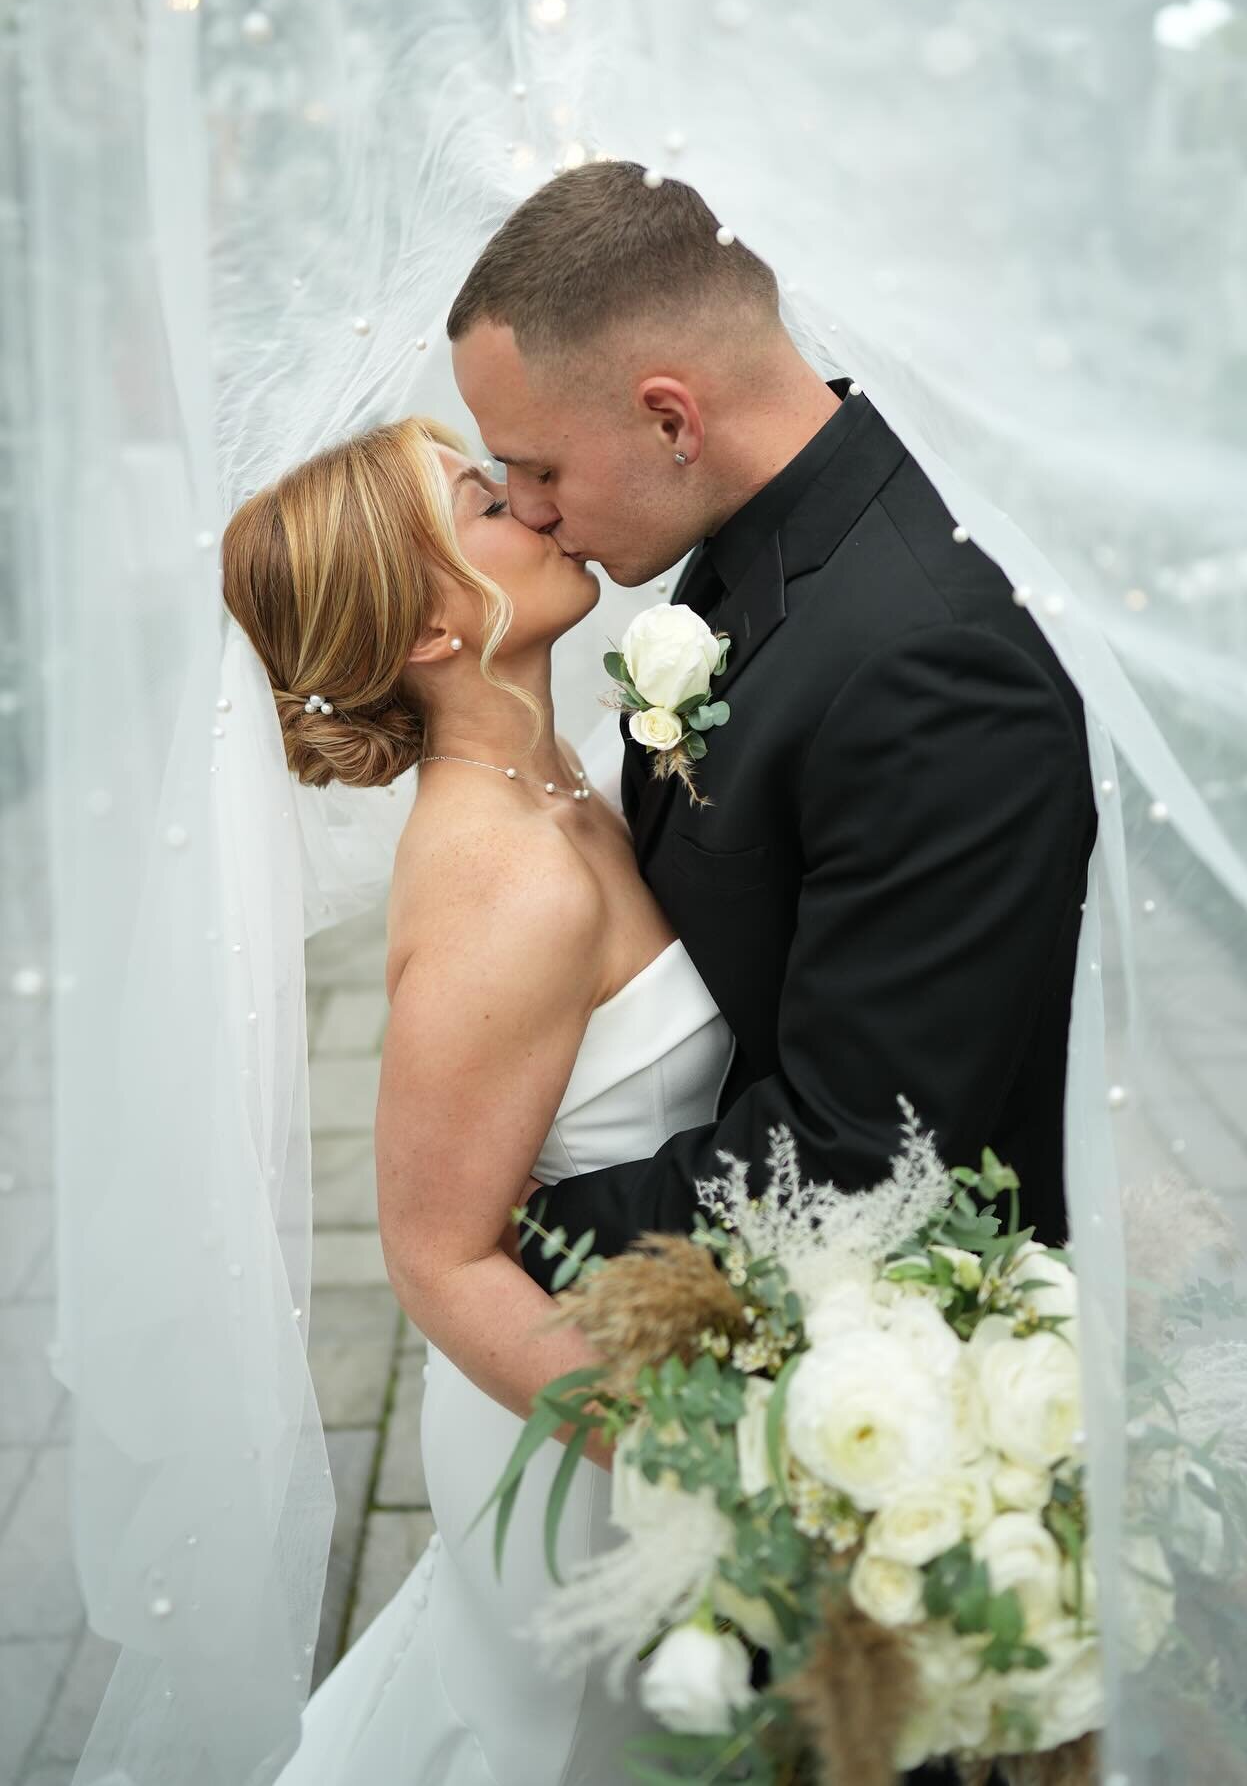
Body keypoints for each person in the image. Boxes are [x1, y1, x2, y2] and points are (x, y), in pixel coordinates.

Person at [446, 161, 1097, 1279]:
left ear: (671, 419)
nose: (531, 508)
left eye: (538, 465)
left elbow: (860, 1153)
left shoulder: (935, 672)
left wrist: (506, 1236)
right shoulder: (771, 537)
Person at [224, 413, 732, 1784]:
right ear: (434, 633)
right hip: (586, 1453)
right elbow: (437, 1253)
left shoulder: (559, 776)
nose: (528, 497)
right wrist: (708, 1459)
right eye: (479, 499)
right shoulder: (503, 882)